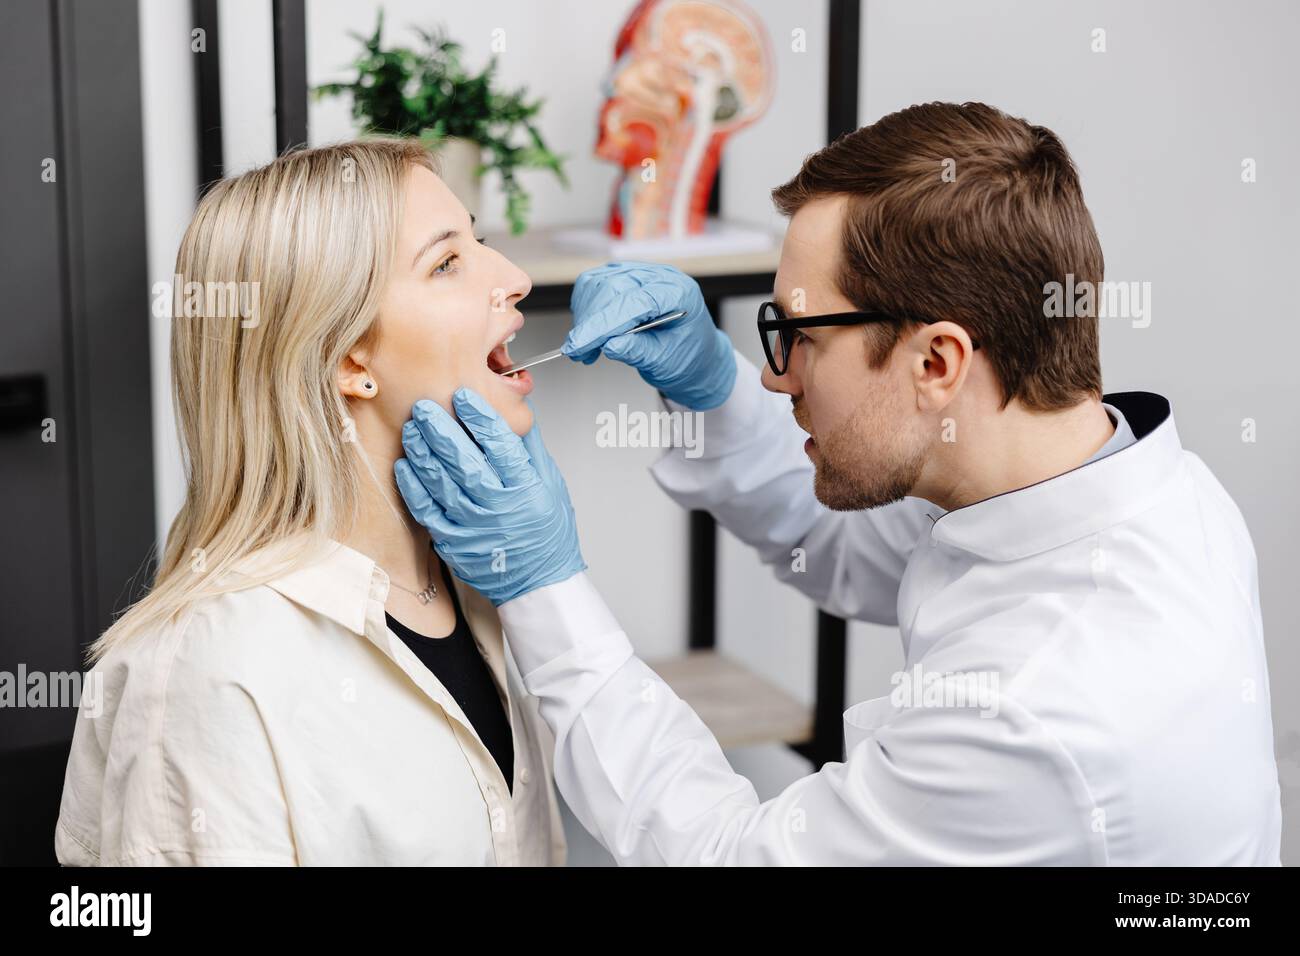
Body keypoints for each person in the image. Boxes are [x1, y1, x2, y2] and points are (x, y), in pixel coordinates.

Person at [396, 102, 1282, 865]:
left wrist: (544, 586)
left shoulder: (1037, 711)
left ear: (938, 360)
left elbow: (723, 858)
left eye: (799, 336)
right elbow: (852, 546)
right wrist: (710, 388)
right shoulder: (1127, 490)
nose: (776, 376)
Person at [56, 139, 566, 866]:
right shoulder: (206, 674)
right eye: (447, 262)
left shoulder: (471, 575)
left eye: (479, 242)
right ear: (350, 359)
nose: (514, 278)